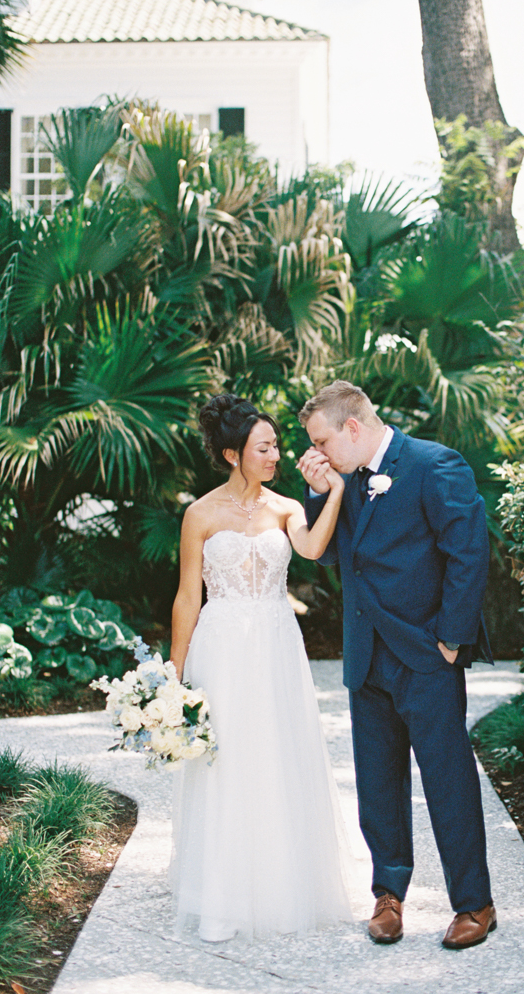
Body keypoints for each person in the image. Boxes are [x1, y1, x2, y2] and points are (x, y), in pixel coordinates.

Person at [298, 380, 495, 949]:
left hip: (426, 657)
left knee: (447, 780)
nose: (317, 453)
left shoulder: (436, 465)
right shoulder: (344, 481)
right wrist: (319, 495)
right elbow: (335, 557)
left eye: (321, 441)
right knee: (377, 784)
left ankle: (475, 904)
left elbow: (468, 552)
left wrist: (451, 640)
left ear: (352, 428)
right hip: (367, 658)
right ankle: (389, 895)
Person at [168, 393, 351, 942]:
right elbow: (185, 599)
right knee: (225, 762)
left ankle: (281, 886)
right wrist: (172, 677)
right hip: (221, 645)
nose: (275, 455)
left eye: (275, 445)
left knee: (274, 754)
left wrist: (334, 490)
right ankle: (220, 898)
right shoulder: (199, 514)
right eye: (264, 447)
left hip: (274, 642)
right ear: (232, 454)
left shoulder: (286, 507)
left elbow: (315, 549)